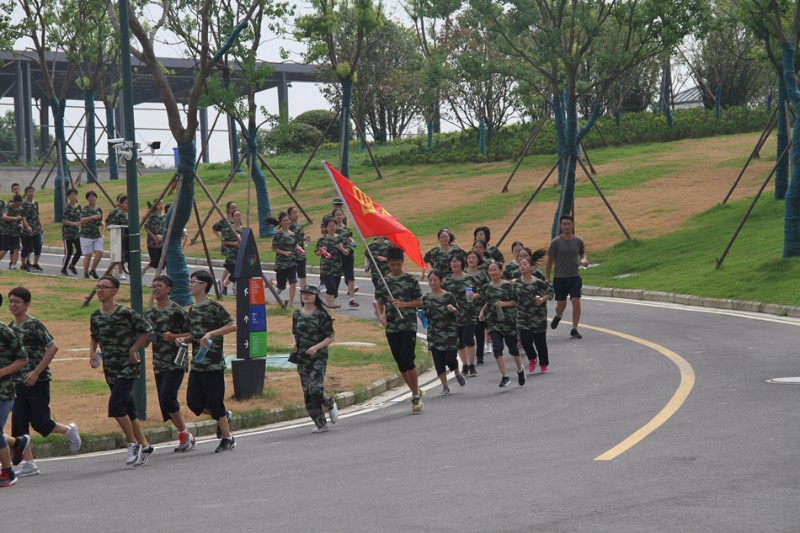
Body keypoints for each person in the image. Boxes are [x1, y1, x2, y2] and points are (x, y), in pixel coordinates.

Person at [7, 287, 81, 477]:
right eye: (10, 301)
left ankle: (68, 430)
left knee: (40, 422)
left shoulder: (34, 325)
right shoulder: (10, 327)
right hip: (17, 381)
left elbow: (52, 347)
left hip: (37, 380)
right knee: (19, 424)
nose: (12, 305)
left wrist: (36, 372)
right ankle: (29, 464)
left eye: (17, 302)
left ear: (26, 305)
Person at [89, 276, 155, 467]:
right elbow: (94, 336)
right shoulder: (96, 315)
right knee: (128, 409)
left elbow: (146, 330)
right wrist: (92, 352)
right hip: (110, 366)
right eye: (98, 287)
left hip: (128, 365)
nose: (100, 290)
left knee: (116, 406)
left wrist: (134, 349)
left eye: (104, 287)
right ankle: (145, 445)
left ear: (114, 291)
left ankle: (132, 443)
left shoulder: (125, 313)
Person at [182, 270, 237, 452]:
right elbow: (195, 335)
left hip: (213, 363)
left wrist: (211, 333)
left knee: (214, 401)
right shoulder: (193, 309)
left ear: (203, 285)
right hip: (197, 364)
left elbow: (232, 325)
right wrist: (184, 340)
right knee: (193, 403)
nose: (190, 284)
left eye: (193, 282)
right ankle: (224, 415)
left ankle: (228, 438)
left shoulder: (214, 307)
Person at [143, 275, 195, 452]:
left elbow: (193, 334)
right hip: (159, 363)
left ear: (168, 289)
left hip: (176, 362)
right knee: (164, 403)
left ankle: (183, 434)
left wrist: (175, 337)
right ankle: (186, 432)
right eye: (153, 286)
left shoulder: (177, 311)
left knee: (168, 397)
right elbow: (146, 340)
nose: (155, 289)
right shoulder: (149, 314)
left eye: (159, 286)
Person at [375, 247, 425, 413]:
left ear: (402, 263)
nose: (395, 267)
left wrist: (404, 304)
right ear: (388, 263)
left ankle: (415, 394)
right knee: (400, 363)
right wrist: (380, 315)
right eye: (392, 264)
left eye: (398, 264)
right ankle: (415, 391)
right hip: (392, 327)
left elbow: (420, 302)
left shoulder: (410, 280)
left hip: (408, 325)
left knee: (408, 358)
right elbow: (379, 301)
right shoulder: (384, 281)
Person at [292, 286, 339, 433]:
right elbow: (295, 332)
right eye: (303, 294)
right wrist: (294, 344)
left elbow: (330, 336)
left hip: (318, 357)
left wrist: (317, 347)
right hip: (302, 357)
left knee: (315, 388)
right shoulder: (297, 314)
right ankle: (320, 423)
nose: (306, 296)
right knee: (307, 392)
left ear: (315, 297)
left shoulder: (321, 315)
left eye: (309, 294)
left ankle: (329, 402)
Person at [479, 262, 525, 388]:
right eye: (490, 270)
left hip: (508, 321)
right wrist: (482, 312)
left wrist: (504, 304)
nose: (492, 273)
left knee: (513, 349)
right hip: (493, 321)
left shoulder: (509, 286)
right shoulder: (486, 287)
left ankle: (520, 370)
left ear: (501, 271)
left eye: (494, 270)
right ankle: (505, 376)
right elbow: (488, 302)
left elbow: (516, 301)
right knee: (497, 348)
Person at [545, 214, 589, 339]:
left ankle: (574, 328)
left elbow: (582, 253)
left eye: (568, 224)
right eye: (564, 224)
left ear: (572, 225)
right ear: (560, 225)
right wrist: (547, 277)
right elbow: (549, 260)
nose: (566, 226)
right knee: (561, 305)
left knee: (576, 300)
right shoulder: (556, 243)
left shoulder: (578, 241)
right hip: (560, 278)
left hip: (574, 277)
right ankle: (558, 315)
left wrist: (584, 260)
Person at [422, 270, 466, 396]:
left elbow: (458, 314)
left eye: (435, 280)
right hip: (434, 334)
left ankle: (457, 372)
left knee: (450, 358)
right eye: (430, 280)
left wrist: (453, 310)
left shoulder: (448, 296)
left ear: (441, 281)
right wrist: (421, 315)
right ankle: (445, 386)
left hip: (449, 333)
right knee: (439, 362)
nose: (432, 282)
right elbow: (425, 316)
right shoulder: (426, 298)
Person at [0, 296, 28, 488]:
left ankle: (8, 472)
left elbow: (23, 359)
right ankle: (17, 443)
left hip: (3, 391)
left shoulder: (5, 332)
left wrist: (1, 372)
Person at [514, 257, 554, 374]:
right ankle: (532, 358)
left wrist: (542, 299)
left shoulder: (538, 283)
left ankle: (544, 363)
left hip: (538, 316)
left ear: (531, 267)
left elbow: (551, 292)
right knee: (525, 340)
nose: (522, 266)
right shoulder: (516, 283)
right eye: (520, 264)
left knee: (540, 341)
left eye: (525, 264)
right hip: (522, 316)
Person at [443, 251, 479, 377]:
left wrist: (475, 295)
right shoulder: (446, 281)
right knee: (459, 342)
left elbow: (479, 292)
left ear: (462, 263)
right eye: (452, 261)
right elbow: (442, 296)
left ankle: (472, 364)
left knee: (469, 340)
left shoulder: (469, 278)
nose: (454, 263)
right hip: (453, 316)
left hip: (469, 314)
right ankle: (464, 365)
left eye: (457, 261)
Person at [315, 218, 349, 309]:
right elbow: (316, 253)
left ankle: (329, 304)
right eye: (329, 226)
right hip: (326, 267)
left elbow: (347, 252)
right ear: (326, 227)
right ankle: (330, 306)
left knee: (335, 292)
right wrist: (322, 251)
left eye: (333, 225)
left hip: (337, 267)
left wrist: (342, 249)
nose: (331, 227)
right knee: (331, 288)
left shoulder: (340, 238)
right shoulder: (322, 240)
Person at [465, 250, 490, 365]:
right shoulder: (463, 274)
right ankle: (469, 356)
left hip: (480, 307)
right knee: (468, 334)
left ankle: (480, 355)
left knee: (479, 332)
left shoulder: (482, 274)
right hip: (466, 309)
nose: (471, 260)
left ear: (478, 260)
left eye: (473, 258)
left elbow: (489, 289)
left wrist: (478, 295)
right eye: (469, 258)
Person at [270, 212, 298, 306]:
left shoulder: (293, 234)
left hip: (292, 263)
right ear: (281, 223)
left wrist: (299, 249)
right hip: (282, 263)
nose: (286, 222)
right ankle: (272, 282)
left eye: (287, 220)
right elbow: (274, 248)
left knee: (293, 282)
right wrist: (284, 253)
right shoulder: (278, 235)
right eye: (284, 221)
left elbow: (294, 246)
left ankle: (291, 303)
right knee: (281, 286)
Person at [212, 210, 242, 295]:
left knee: (239, 273)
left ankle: (225, 285)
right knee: (236, 273)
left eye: (240, 215)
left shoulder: (243, 229)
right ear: (233, 217)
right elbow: (224, 241)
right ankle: (224, 285)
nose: (238, 217)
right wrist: (234, 243)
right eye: (236, 216)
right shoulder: (230, 229)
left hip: (240, 255)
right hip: (231, 254)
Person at [334, 207, 359, 308]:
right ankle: (332, 299)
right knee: (336, 276)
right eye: (337, 215)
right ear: (334, 217)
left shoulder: (346, 228)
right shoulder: (333, 228)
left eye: (340, 214)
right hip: (337, 255)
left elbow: (349, 237)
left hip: (348, 254)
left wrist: (352, 241)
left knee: (350, 276)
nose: (339, 216)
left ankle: (352, 299)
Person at [80, 191, 104, 280]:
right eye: (90, 197)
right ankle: (85, 273)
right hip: (86, 235)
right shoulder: (85, 209)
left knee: (100, 252)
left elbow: (99, 221)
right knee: (88, 255)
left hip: (96, 234)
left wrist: (102, 224)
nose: (92, 198)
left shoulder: (99, 209)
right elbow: (81, 220)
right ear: (87, 199)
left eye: (93, 197)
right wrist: (91, 217)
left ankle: (93, 270)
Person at [0, 195, 28, 270]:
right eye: (17, 204)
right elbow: (4, 217)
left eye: (20, 204)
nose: (18, 205)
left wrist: (23, 225)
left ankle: (13, 265)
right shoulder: (7, 207)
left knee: (16, 248)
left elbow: (22, 218)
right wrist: (15, 218)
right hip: (6, 231)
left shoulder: (20, 209)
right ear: (14, 202)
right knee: (4, 249)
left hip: (16, 231)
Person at [367, 235, 392, 317]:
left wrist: (385, 259)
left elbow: (394, 257)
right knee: (379, 292)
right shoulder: (370, 246)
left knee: (387, 292)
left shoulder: (389, 245)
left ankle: (384, 310)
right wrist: (376, 257)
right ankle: (379, 309)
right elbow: (368, 257)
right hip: (376, 273)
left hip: (387, 273)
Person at [20, 186, 44, 272]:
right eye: (29, 191)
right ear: (26, 193)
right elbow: (23, 217)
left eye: (32, 191)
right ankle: (23, 264)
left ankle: (35, 263)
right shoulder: (23, 204)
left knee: (38, 246)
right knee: (26, 247)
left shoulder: (35, 203)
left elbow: (37, 215)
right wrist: (27, 226)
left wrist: (41, 226)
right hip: (26, 231)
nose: (31, 193)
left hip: (36, 229)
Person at [106, 194, 129, 279]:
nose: (128, 205)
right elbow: (110, 223)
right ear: (121, 204)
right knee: (118, 255)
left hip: (127, 236)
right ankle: (119, 271)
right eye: (126, 203)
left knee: (124, 255)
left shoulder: (131, 213)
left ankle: (116, 270)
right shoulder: (117, 213)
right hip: (118, 236)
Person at [141, 199, 166, 277]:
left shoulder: (165, 216)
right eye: (158, 204)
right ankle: (144, 268)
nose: (160, 206)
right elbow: (146, 227)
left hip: (162, 242)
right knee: (155, 261)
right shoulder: (152, 215)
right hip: (152, 242)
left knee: (162, 261)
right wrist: (154, 237)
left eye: (162, 204)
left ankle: (158, 276)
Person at [61, 188, 83, 276]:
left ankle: (72, 265)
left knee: (79, 251)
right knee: (69, 252)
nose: (73, 196)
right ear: (68, 197)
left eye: (74, 194)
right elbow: (64, 220)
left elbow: (80, 218)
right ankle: (63, 268)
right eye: (71, 195)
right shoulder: (67, 207)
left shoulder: (78, 206)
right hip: (67, 233)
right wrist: (74, 223)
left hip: (76, 233)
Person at [288, 206, 310, 290]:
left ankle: (304, 291)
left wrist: (305, 239)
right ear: (289, 216)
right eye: (293, 213)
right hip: (292, 253)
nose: (296, 214)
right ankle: (275, 283)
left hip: (301, 252)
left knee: (302, 273)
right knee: (288, 275)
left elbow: (300, 237)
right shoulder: (289, 226)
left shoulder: (300, 224)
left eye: (297, 212)